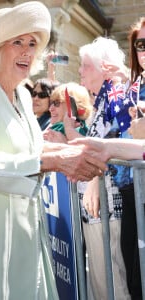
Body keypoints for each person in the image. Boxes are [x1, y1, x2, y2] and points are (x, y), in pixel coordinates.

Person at [0, 2, 107, 300]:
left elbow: (33, 148)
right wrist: (54, 160)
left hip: (23, 228)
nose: (27, 51)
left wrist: (84, 148)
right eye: (17, 42)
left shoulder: (24, 98)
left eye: (32, 43)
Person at [76, 36, 131, 300]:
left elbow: (119, 137)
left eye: (85, 65)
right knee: (100, 277)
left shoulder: (117, 94)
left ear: (104, 68)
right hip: (96, 207)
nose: (79, 71)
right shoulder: (101, 101)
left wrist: (95, 179)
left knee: (112, 280)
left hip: (109, 206)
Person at [118, 16, 145, 299]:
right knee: (135, 282)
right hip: (130, 188)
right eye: (140, 44)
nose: (144, 50)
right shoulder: (132, 88)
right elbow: (115, 134)